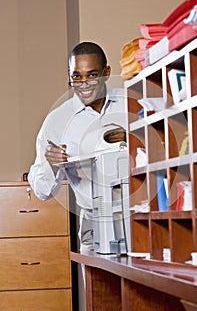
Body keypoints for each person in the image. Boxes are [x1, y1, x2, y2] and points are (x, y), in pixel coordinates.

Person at [28, 41, 127, 254]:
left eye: (92, 75)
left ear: (106, 72)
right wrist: (52, 166)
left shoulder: (130, 103)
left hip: (138, 213)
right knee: (100, 287)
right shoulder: (57, 121)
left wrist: (134, 138)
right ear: (69, 76)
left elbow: (163, 146)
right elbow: (42, 191)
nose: (84, 84)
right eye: (77, 77)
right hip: (94, 220)